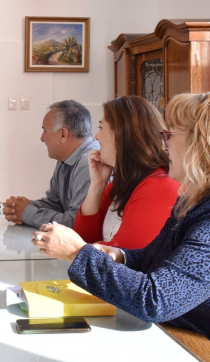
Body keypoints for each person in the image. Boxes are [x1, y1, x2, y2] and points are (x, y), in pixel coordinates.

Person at [33, 92, 210, 362]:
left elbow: (157, 299)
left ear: (204, 144)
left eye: (170, 134)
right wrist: (120, 256)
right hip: (196, 343)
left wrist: (78, 252)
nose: (164, 143)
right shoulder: (199, 203)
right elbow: (154, 259)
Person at [72, 96, 179, 248]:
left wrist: (73, 247)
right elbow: (84, 237)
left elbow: (125, 253)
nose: (96, 136)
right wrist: (97, 184)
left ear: (121, 135)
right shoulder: (120, 185)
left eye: (101, 128)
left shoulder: (159, 186)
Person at [3, 100, 98, 229]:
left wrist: (27, 213)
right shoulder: (66, 158)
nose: (42, 138)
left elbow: (75, 223)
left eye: (45, 131)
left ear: (63, 134)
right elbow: (55, 204)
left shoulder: (88, 164)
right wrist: (20, 208)